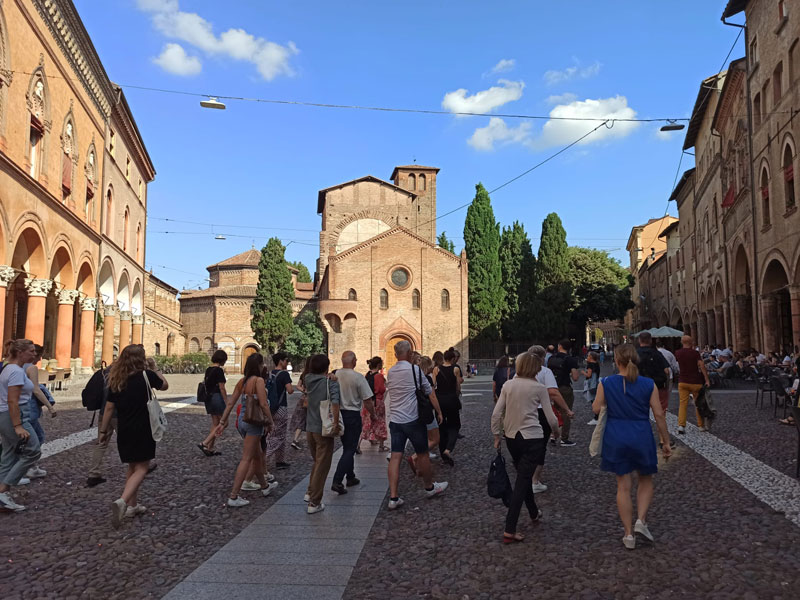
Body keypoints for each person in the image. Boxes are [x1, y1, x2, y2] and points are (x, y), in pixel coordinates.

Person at [592, 344, 671, 549]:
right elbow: (659, 414)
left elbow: (595, 407)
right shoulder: (648, 383)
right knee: (645, 479)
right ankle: (641, 521)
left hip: (616, 434)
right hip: (641, 433)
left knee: (623, 486)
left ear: (616, 361)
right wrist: (666, 442)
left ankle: (628, 535)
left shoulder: (606, 382)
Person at [491, 352, 560, 543]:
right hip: (533, 438)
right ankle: (509, 528)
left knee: (523, 474)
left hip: (512, 437)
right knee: (522, 482)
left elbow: (496, 413)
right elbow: (551, 417)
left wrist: (497, 435)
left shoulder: (508, 385)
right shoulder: (539, 388)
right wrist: (557, 433)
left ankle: (533, 512)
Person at [99, 345, 168, 527]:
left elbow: (109, 407)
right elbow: (165, 385)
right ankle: (122, 501)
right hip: (144, 427)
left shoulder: (117, 379)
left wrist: (103, 431)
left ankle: (132, 505)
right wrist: (154, 369)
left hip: (125, 427)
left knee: (132, 466)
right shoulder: (146, 376)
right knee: (143, 468)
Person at [385, 340, 447, 510]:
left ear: (396, 355)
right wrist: (439, 412)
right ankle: (429, 487)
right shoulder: (415, 371)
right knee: (423, 454)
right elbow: (430, 394)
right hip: (413, 420)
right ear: (411, 353)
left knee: (395, 456)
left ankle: (393, 497)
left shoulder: (390, 372)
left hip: (396, 421)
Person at [217, 352, 276, 508]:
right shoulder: (258, 381)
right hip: (254, 423)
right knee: (247, 458)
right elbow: (264, 404)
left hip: (241, 421)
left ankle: (264, 487)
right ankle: (234, 495)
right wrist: (270, 422)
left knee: (256, 457)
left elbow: (230, 403)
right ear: (259, 366)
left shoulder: (242, 382)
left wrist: (223, 421)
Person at [0, 340, 41, 512]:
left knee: (9, 454)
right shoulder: (16, 372)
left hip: (7, 415)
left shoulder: (9, 369)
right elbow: (12, 401)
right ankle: (3, 489)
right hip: (15, 416)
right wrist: (18, 425)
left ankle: (2, 497)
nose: (34, 354)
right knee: (33, 451)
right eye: (31, 351)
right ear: (20, 353)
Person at [527, 345, 573, 493]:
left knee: (526, 443)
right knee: (540, 445)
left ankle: (525, 475)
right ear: (543, 357)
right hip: (540, 412)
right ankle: (534, 480)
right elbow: (553, 392)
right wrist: (566, 409)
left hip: (523, 411)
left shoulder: (519, 373)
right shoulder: (545, 372)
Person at [330, 351, 376, 495]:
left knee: (347, 447)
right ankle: (337, 480)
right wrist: (373, 414)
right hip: (352, 415)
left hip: (338, 414)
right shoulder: (358, 377)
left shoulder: (335, 374)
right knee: (350, 448)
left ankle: (350, 476)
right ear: (354, 361)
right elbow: (367, 400)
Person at [303, 354, 341, 514]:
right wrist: (336, 424)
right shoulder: (329, 384)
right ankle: (314, 502)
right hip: (324, 428)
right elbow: (335, 404)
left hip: (310, 428)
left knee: (317, 462)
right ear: (326, 367)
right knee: (322, 465)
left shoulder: (308, 380)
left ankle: (310, 492)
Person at [24, 344, 56, 480]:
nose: (39, 358)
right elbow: (35, 389)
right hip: (28, 407)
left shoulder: (15, 366)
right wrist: (50, 406)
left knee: (33, 437)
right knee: (36, 439)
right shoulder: (31, 368)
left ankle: (31, 467)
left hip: (20, 406)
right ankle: (26, 468)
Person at [636, 332, 670, 446]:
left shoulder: (635, 354)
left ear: (639, 341)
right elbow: (667, 370)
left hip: (639, 388)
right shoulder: (657, 353)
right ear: (650, 341)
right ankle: (662, 440)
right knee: (660, 413)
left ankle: (641, 439)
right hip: (658, 386)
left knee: (640, 413)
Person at [674, 335, 712, 434]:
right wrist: (706, 379)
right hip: (696, 381)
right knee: (698, 404)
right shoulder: (695, 353)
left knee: (683, 404)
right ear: (691, 342)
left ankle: (681, 426)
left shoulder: (678, 353)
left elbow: (675, 366)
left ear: (682, 342)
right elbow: (702, 366)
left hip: (683, 381)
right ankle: (701, 426)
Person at [85, 363, 113, 487]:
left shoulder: (105, 372)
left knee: (101, 442)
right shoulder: (126, 374)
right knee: (132, 441)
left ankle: (93, 473)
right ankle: (139, 467)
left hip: (103, 412)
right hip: (121, 415)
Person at [547, 340, 579, 446]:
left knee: (554, 412)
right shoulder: (571, 360)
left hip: (552, 388)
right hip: (564, 387)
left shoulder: (551, 358)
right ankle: (564, 438)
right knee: (566, 412)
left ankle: (552, 435)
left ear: (559, 346)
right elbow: (575, 378)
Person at [433, 348, 462, 465]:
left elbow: (433, 385)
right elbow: (458, 386)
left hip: (440, 400)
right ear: (452, 359)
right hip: (451, 399)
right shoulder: (455, 369)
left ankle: (443, 454)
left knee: (441, 427)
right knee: (455, 425)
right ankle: (448, 449)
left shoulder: (436, 369)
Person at [198, 350, 229, 456]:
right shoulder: (219, 371)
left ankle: (209, 448)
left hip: (209, 399)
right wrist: (227, 401)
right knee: (224, 423)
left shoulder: (208, 369)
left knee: (216, 423)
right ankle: (205, 443)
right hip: (217, 398)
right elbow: (222, 388)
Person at [266, 353, 294, 470]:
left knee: (275, 433)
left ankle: (280, 460)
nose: (287, 362)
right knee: (279, 436)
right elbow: (290, 390)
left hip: (270, 407)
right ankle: (264, 456)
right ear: (281, 361)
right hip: (281, 407)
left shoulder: (270, 373)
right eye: (286, 360)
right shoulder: (284, 374)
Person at [360, 356, 388, 452]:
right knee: (380, 422)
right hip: (377, 402)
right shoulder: (379, 376)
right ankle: (381, 446)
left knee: (366, 423)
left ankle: (358, 445)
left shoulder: (368, 375)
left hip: (367, 402)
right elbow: (381, 389)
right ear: (379, 364)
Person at [289, 363, 309, 451]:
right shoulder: (313, 375)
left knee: (301, 419)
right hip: (310, 400)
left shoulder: (304, 374)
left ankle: (295, 439)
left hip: (304, 399)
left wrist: (304, 391)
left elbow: (298, 386)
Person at [583, 352, 601, 425]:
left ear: (591, 357)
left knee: (593, 400)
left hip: (591, 384)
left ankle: (597, 417)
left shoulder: (590, 365)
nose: (587, 356)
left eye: (588, 355)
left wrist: (583, 372)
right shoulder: (597, 364)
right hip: (596, 383)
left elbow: (589, 375)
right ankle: (598, 416)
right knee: (595, 399)